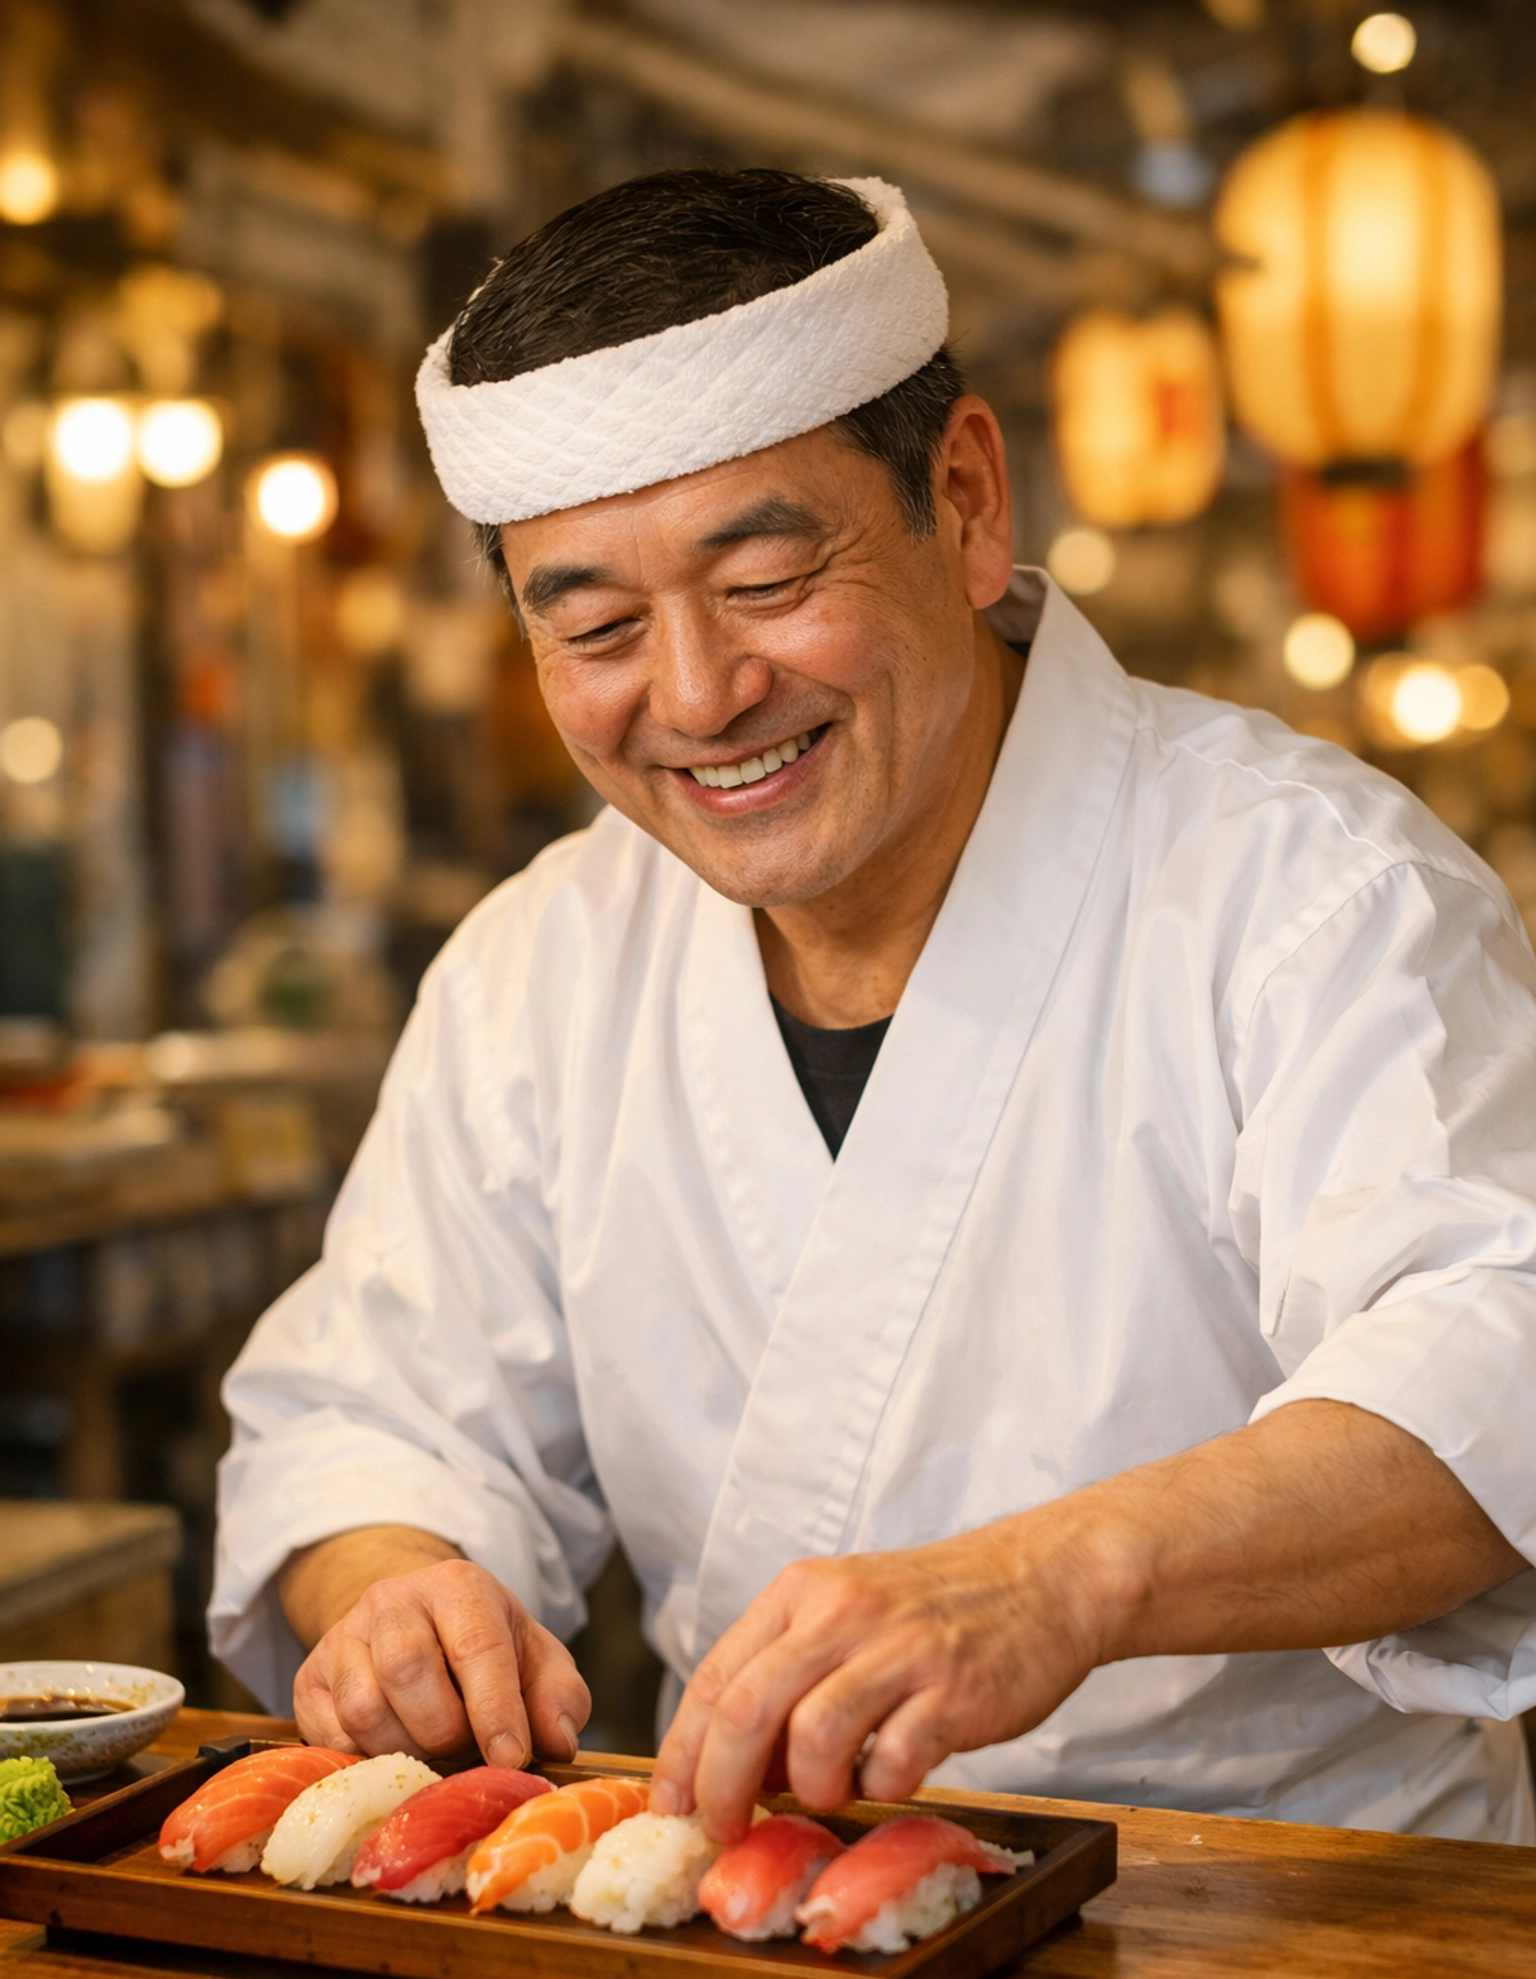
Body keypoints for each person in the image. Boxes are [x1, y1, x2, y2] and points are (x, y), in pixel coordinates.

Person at [213, 169, 1536, 1847]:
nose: (697, 698)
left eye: (764, 580)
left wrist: (1061, 1580)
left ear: (968, 500)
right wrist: (396, 1584)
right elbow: (371, 1416)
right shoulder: (540, 969)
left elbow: (1499, 1350)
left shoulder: (1310, 891)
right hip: (770, 1923)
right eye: (601, 625)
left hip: (1298, 1927)